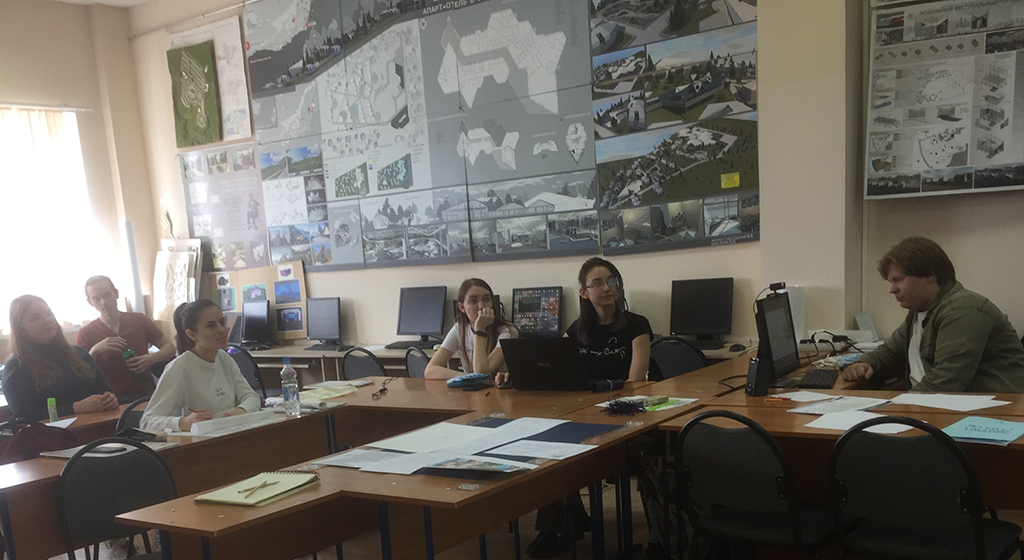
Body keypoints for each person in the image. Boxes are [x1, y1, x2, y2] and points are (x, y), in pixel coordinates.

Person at [526, 258, 662, 559]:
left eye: (612, 280)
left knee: (656, 455)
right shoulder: (576, 330)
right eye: (597, 283)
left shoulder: (637, 324)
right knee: (549, 447)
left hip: (627, 414)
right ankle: (557, 526)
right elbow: (557, 374)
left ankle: (661, 537)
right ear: (584, 292)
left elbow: (636, 381)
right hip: (585, 416)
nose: (607, 287)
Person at [842, 236, 1024, 392]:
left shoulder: (963, 311)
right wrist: (864, 363)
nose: (892, 289)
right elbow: (891, 351)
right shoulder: (919, 311)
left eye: (899, 280)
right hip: (936, 406)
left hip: (987, 413)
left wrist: (900, 406)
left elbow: (946, 382)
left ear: (930, 275)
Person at [140, 300, 261, 432]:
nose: (222, 330)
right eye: (211, 326)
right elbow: (147, 421)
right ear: (192, 335)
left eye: (222, 322)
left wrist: (239, 412)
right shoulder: (179, 368)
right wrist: (183, 422)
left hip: (228, 432)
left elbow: (251, 397)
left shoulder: (224, 358)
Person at [2, 295, 118, 422]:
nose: (46, 320)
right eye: (35, 318)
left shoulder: (79, 354)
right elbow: (23, 416)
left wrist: (110, 399)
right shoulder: (16, 367)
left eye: (48, 314)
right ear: (20, 328)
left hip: (103, 426)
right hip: (55, 434)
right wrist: (74, 408)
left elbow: (106, 391)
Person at [76, 276, 176, 404]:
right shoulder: (86, 333)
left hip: (148, 392)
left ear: (116, 293)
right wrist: (95, 350)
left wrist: (152, 358)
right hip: (111, 398)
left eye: (107, 295)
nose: (103, 302)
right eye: (96, 298)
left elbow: (170, 348)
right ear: (90, 302)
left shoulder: (139, 320)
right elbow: (80, 373)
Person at [425, 278, 516, 380]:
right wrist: (468, 377)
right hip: (473, 388)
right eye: (473, 301)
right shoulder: (459, 329)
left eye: (486, 299)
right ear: (462, 307)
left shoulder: (508, 331)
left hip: (499, 389)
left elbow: (482, 372)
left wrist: (480, 330)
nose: (481, 306)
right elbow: (430, 371)